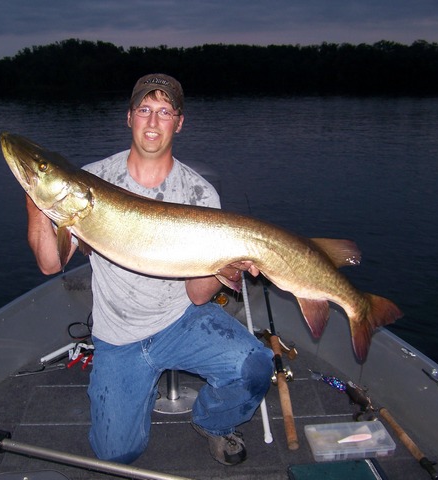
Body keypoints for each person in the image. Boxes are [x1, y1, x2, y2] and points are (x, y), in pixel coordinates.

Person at [25, 73, 274, 466]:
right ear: (129, 117)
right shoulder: (89, 183)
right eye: (144, 110)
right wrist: (37, 198)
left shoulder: (199, 194)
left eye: (164, 111)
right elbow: (49, 263)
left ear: (179, 122)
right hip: (118, 335)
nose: (153, 121)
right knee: (116, 453)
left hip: (182, 321)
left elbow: (197, 295)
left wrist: (228, 265)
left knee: (255, 367)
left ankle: (212, 421)